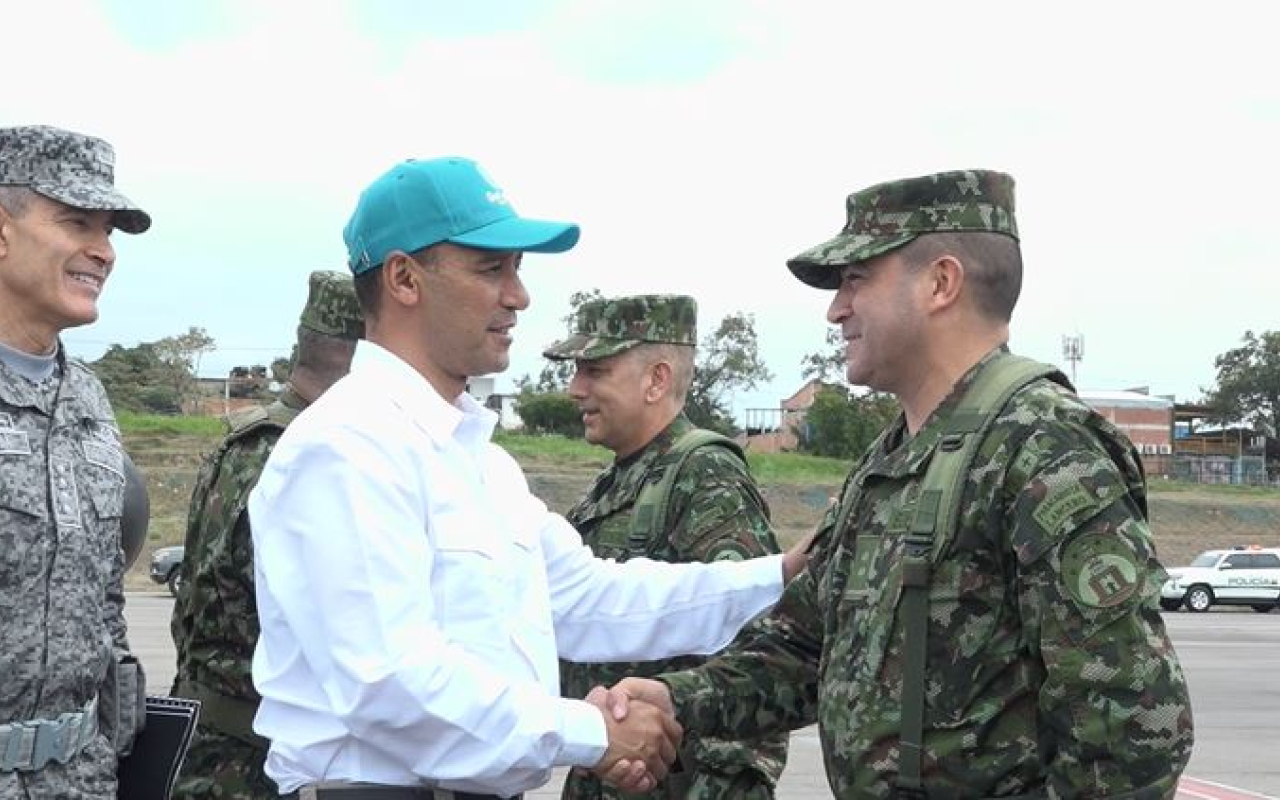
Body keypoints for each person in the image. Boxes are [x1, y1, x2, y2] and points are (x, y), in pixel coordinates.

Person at [609, 169, 1195, 797]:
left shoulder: (1044, 446)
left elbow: (1136, 728)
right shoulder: (889, 461)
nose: (836, 309)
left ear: (941, 283)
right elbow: (804, 649)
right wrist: (673, 698)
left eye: (855, 279)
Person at [246, 156, 811, 800]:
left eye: (516, 269)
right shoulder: (348, 445)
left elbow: (586, 597)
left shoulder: (480, 462)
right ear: (404, 278)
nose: (518, 296)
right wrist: (593, 732)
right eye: (491, 268)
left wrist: (775, 575)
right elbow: (390, 681)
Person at [543, 294, 788, 800]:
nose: (575, 389)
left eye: (595, 371)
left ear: (656, 379)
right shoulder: (617, 482)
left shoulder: (705, 473)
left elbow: (751, 641)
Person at [169, 270, 365, 799]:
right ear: (364, 360)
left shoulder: (245, 442)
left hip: (201, 742)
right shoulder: (313, 458)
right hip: (255, 761)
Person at [0, 124, 151, 797]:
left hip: (80, 777)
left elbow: (105, 600)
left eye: (109, 230)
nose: (103, 250)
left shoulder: (88, 398)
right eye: (76, 221)